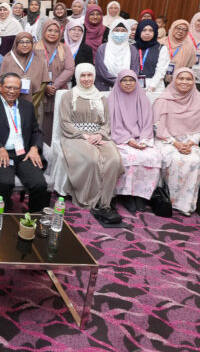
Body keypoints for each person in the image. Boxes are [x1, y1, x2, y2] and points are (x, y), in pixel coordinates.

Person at [57, 64, 123, 223]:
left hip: (99, 136)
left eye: (89, 75)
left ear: (94, 76)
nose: (86, 79)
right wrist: (83, 135)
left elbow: (106, 123)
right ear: (77, 77)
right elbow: (65, 122)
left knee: (114, 160)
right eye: (83, 75)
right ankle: (90, 199)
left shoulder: (101, 97)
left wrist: (100, 135)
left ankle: (105, 201)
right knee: (92, 160)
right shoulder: (68, 96)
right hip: (75, 136)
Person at [0, 72, 48, 213]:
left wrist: (35, 148)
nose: (12, 91)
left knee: (39, 184)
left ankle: (35, 220)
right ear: (0, 87)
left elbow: (36, 131)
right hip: (2, 153)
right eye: (8, 87)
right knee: (5, 183)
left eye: (16, 88)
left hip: (24, 154)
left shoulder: (27, 106)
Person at [152, 68, 200, 216]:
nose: (185, 82)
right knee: (175, 159)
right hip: (166, 139)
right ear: (174, 80)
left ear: (194, 81)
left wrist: (190, 142)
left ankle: (185, 204)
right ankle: (167, 201)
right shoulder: (163, 100)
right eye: (181, 78)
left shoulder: (199, 101)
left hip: (189, 141)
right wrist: (175, 143)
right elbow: (156, 125)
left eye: (189, 79)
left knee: (194, 160)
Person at [109, 70, 164, 214]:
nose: (128, 83)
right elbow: (112, 125)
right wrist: (128, 140)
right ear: (119, 82)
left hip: (142, 138)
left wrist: (144, 140)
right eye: (124, 80)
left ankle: (141, 195)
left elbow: (147, 122)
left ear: (136, 82)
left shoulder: (142, 97)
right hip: (121, 139)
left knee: (153, 156)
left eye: (131, 80)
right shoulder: (112, 98)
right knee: (128, 157)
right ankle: (126, 195)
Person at [33, 18, 75, 140]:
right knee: (38, 120)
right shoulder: (35, 47)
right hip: (39, 91)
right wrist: (45, 85)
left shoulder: (64, 48)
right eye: (49, 30)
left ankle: (54, 147)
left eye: (56, 31)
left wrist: (54, 86)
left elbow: (70, 69)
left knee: (57, 121)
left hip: (59, 90)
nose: (52, 33)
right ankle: (38, 146)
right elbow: (31, 69)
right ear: (43, 31)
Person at [0, 32, 48, 105]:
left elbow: (43, 84)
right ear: (16, 44)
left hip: (34, 102)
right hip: (10, 102)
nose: (25, 45)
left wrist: (31, 104)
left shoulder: (39, 59)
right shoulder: (8, 59)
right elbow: (2, 82)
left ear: (32, 43)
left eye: (28, 42)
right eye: (21, 42)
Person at [95, 22, 138, 91]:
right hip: (105, 86)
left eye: (123, 30)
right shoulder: (102, 48)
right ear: (111, 31)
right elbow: (101, 71)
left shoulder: (132, 49)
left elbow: (134, 70)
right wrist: (120, 82)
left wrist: (126, 82)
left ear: (128, 32)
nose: (120, 33)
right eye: (117, 30)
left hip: (127, 87)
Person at [133, 18, 169, 92]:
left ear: (155, 32)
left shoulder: (161, 48)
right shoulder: (131, 47)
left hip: (155, 86)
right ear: (139, 31)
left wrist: (152, 87)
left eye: (151, 30)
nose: (147, 33)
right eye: (144, 30)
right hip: (133, 84)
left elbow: (161, 70)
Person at [160, 20, 197, 84]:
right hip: (158, 80)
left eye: (184, 30)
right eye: (178, 28)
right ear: (172, 28)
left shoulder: (189, 47)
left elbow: (189, 65)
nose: (180, 31)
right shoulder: (160, 43)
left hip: (178, 81)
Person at [65, 17, 94, 81]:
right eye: (73, 29)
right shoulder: (60, 45)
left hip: (78, 82)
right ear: (68, 30)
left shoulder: (87, 49)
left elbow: (88, 70)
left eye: (80, 30)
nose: (76, 32)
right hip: (59, 82)